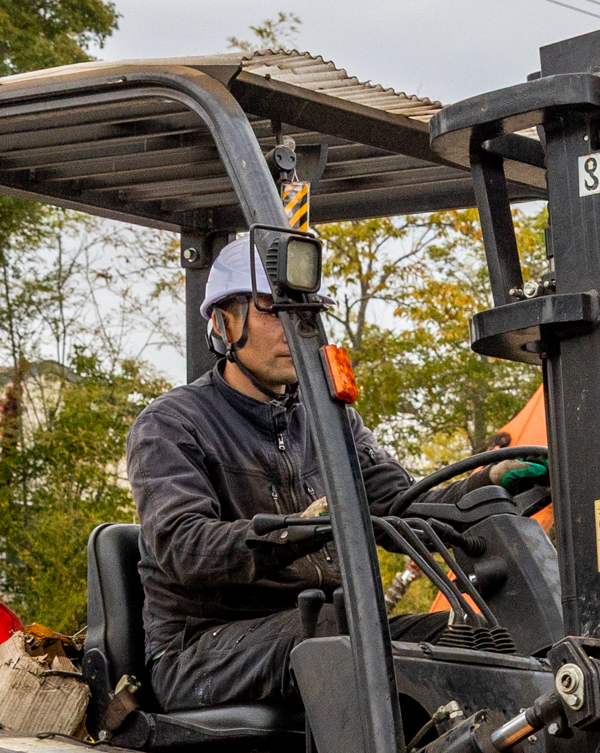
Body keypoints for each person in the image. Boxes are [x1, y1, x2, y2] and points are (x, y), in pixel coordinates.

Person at [123, 237, 416, 711]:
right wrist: (300, 530)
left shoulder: (330, 420)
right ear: (224, 321)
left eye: (305, 315)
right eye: (272, 311)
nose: (293, 331)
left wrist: (483, 491)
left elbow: (398, 500)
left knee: (456, 639)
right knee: (346, 634)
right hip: (200, 651)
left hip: (321, 626)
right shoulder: (171, 424)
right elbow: (185, 547)